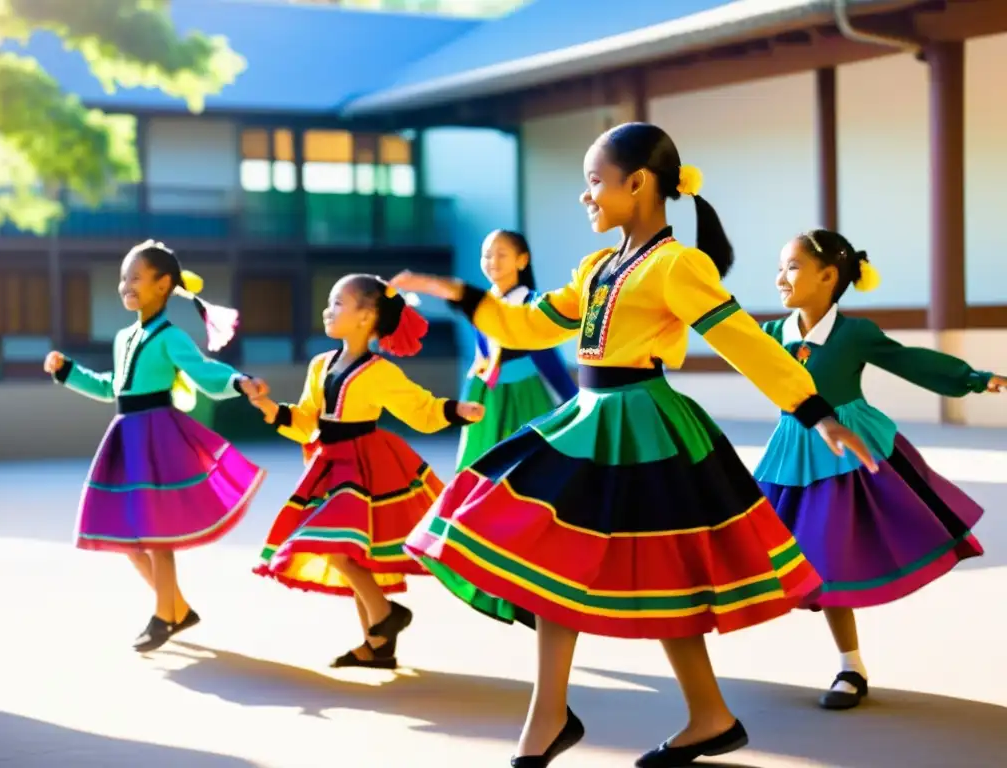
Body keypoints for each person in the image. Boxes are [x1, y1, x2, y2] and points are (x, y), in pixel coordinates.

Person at [391, 122, 877, 767]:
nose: (586, 197)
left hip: (641, 426)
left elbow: (745, 342)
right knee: (565, 558)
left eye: (595, 182)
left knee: (655, 570)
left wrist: (815, 411)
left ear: (639, 183)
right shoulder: (598, 266)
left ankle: (659, 715)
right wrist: (457, 292)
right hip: (590, 418)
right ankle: (652, 715)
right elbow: (530, 325)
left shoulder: (678, 264)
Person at [755, 228, 1004, 710]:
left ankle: (850, 667)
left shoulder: (854, 334)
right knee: (768, 551)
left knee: (832, 558)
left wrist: (973, 379)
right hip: (792, 451)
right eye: (781, 266)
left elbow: (910, 362)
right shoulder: (768, 334)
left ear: (828, 276)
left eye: (791, 266)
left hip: (850, 452)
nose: (780, 277)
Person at [44, 239, 268, 653]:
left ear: (163, 285)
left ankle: (165, 615)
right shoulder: (124, 337)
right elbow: (112, 386)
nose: (125, 285)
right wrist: (68, 372)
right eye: (122, 278)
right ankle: (176, 607)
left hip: (157, 438)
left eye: (135, 278)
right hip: (126, 437)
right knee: (129, 539)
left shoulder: (171, 337)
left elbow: (204, 371)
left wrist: (239, 381)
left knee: (156, 536)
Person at [250, 274, 484, 669]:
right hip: (328, 464)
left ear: (366, 316)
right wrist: (271, 408)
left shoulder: (378, 372)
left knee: (339, 547)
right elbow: (308, 419)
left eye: (339, 303)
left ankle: (386, 615)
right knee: (352, 552)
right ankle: (378, 646)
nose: (328, 310)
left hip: (363, 469)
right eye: (330, 302)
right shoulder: (320, 364)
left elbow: (418, 407)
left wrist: (455, 410)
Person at [456, 229, 577, 470]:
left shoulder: (532, 303)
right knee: (479, 461)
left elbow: (547, 355)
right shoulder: (483, 304)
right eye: (487, 255)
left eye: (501, 254)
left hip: (524, 391)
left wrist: (573, 400)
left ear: (522, 260)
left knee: (530, 463)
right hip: (487, 393)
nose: (493, 262)